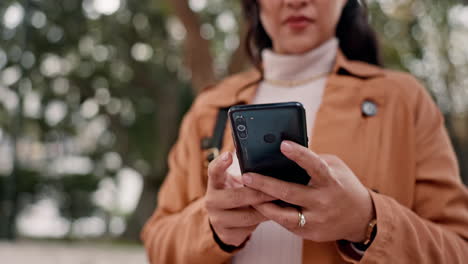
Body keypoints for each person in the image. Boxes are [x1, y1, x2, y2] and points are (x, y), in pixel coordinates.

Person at [141, 0, 468, 263]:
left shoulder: (403, 100)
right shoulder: (209, 107)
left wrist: (368, 221)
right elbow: (158, 245)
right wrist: (211, 227)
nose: (296, 2)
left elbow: (459, 249)